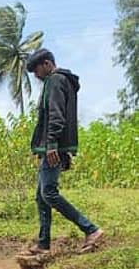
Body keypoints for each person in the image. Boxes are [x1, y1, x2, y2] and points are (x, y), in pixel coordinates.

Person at [25, 49, 104, 254]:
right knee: (41, 196)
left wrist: (51, 145)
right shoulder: (61, 81)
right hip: (55, 147)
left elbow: (56, 114)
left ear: (47, 64)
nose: (36, 75)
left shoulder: (55, 81)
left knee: (49, 193)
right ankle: (43, 244)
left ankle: (91, 229)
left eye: (36, 70)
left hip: (53, 148)